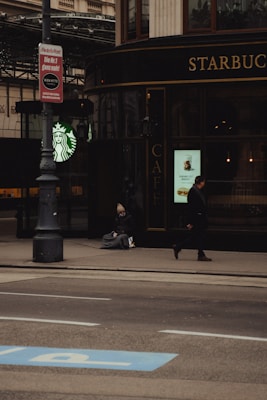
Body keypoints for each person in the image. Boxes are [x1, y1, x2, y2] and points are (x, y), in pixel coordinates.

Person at [172, 175, 212, 261]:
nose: (204, 183)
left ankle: (179, 247)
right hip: (197, 218)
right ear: (201, 182)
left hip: (199, 218)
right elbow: (191, 208)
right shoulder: (193, 192)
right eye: (203, 182)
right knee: (198, 236)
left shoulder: (197, 191)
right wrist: (190, 222)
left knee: (195, 236)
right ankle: (200, 254)